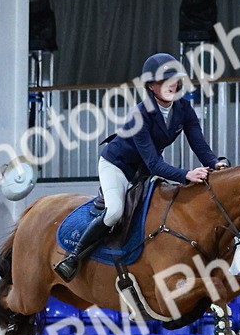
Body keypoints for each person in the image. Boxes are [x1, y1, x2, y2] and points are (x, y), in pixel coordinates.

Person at [53, 52, 224, 282]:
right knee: (114, 212)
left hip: (142, 171)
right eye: (165, 81)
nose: (173, 85)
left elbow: (199, 144)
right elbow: (154, 163)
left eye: (175, 79)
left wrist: (215, 163)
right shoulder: (140, 115)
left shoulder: (183, 109)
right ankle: (73, 258)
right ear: (152, 86)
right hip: (118, 167)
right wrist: (186, 175)